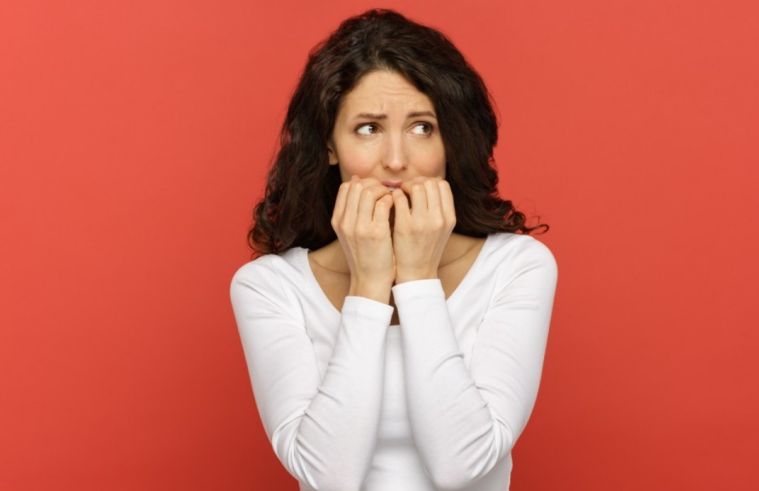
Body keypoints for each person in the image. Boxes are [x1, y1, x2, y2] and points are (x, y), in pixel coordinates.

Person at [229, 8, 558, 491]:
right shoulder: (270, 288)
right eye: (368, 128)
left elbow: (463, 465)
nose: (398, 160)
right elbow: (328, 476)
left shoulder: (516, 266)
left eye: (422, 127)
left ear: (450, 142)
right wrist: (368, 286)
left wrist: (419, 279)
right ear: (329, 145)